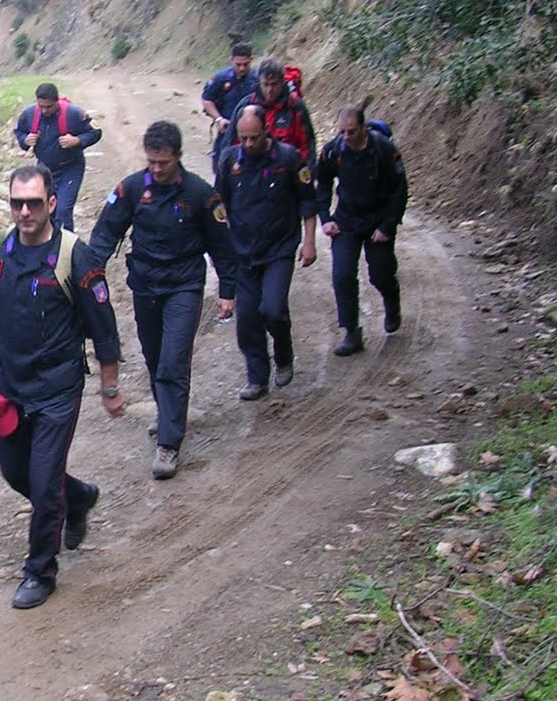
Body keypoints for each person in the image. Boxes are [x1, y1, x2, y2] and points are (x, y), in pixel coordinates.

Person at [0, 166, 124, 609]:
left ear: (51, 203)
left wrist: (109, 385)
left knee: (42, 479)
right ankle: (78, 497)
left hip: (58, 388)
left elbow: (104, 328)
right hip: (11, 387)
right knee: (16, 473)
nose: (24, 211)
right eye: (17, 203)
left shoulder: (77, 257)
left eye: (34, 202)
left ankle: (40, 571)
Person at [89, 121, 237, 479]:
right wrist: (91, 273)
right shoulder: (133, 189)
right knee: (154, 357)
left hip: (184, 286)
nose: (157, 169)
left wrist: (228, 291)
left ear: (178, 158)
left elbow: (222, 246)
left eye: (164, 163)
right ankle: (168, 412)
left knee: (173, 360)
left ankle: (169, 443)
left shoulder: (201, 194)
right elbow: (106, 231)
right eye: (152, 162)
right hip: (145, 284)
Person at [215, 105, 318, 401]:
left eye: (255, 138)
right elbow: (218, 207)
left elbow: (308, 203)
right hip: (244, 251)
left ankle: (284, 355)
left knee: (272, 309)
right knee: (247, 319)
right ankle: (257, 377)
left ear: (267, 132)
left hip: (279, 248)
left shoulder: (289, 159)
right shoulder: (229, 161)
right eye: (243, 138)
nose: (249, 144)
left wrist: (309, 241)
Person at [314, 105, 409, 356]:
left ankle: (391, 300)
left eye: (351, 132)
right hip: (346, 220)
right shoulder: (333, 150)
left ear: (364, 128)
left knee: (380, 273)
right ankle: (351, 333)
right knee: (342, 276)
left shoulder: (384, 150)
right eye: (342, 132)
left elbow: (400, 190)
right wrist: (325, 217)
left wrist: (387, 226)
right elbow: (321, 182)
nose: (346, 137)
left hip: (378, 220)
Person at [13, 83, 102, 231]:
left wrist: (77, 141)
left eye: (49, 106)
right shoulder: (29, 115)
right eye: (41, 106)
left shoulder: (74, 114)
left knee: (63, 210)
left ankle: (67, 247)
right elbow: (19, 132)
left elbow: (95, 133)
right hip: (44, 169)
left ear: (57, 102)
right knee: (45, 209)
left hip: (71, 168)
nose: (44, 110)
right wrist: (25, 140)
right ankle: (47, 244)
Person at [225, 58, 317, 165]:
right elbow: (230, 144)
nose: (270, 90)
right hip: (251, 170)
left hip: (285, 172)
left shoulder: (295, 106)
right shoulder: (246, 105)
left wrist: (306, 174)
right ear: (259, 82)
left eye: (274, 84)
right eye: (266, 84)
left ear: (283, 82)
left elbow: (307, 146)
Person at [201, 41, 259, 174]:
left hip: (252, 135)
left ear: (251, 60)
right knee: (222, 169)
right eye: (238, 64)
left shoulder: (258, 79)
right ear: (231, 60)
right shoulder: (221, 78)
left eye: (246, 64)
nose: (242, 68)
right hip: (227, 132)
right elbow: (207, 99)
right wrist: (218, 119)